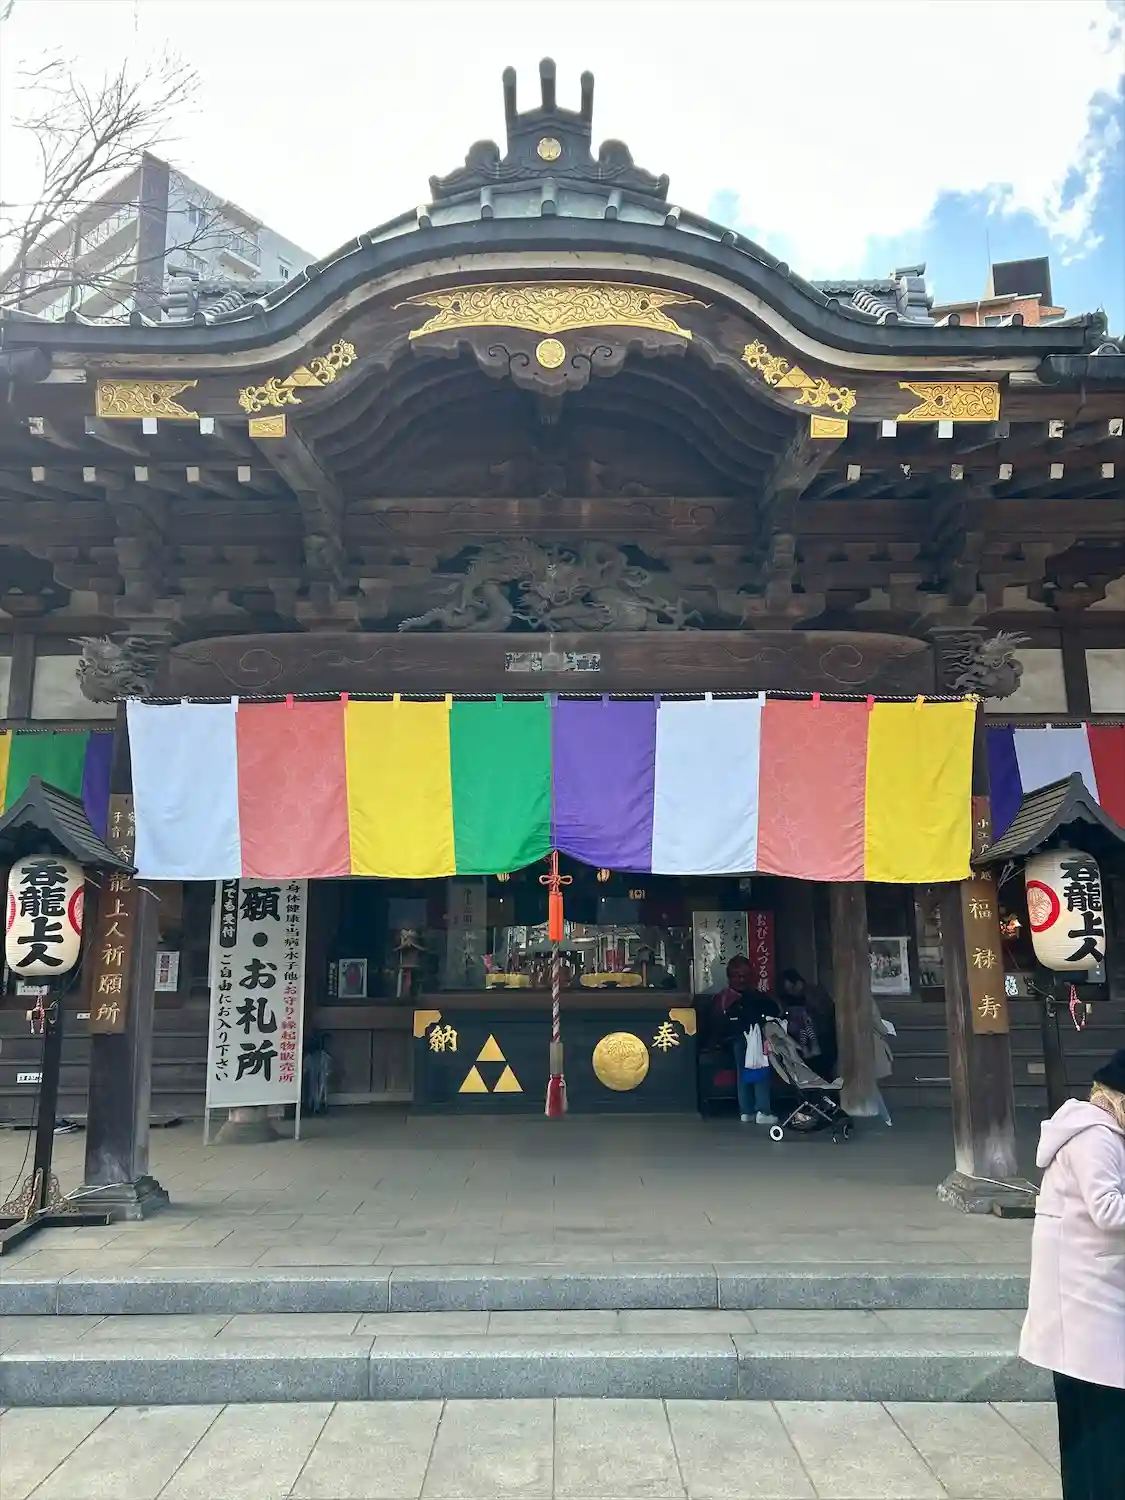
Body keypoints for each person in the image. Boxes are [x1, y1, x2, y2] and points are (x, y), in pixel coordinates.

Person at [1020, 1049, 1125, 1500]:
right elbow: (1108, 1209)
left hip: (1090, 1292)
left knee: (1095, 1419)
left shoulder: (1103, 1133)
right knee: (1101, 1419)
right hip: (1084, 1299)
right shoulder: (1095, 1136)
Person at [711, 955, 781, 1125]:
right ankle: (762, 1110)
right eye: (738, 976)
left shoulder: (749, 995)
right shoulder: (727, 998)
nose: (742, 980)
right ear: (730, 977)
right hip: (741, 1040)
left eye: (745, 976)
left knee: (744, 1073)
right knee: (759, 1070)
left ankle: (747, 1111)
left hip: (738, 1040)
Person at [780, 969, 838, 1083]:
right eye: (788, 990)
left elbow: (826, 1011)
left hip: (820, 1040)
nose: (791, 992)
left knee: (823, 1073)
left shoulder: (813, 994)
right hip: (805, 1044)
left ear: (798, 983)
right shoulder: (791, 1000)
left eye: (792, 988)